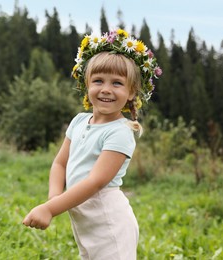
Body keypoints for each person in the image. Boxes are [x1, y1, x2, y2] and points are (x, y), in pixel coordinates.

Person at [22, 28, 162, 259]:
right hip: (86, 221)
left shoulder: (120, 132)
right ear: (87, 85)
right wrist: (54, 197)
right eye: (98, 81)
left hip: (109, 223)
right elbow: (59, 164)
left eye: (117, 83)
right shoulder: (78, 121)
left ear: (131, 92)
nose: (106, 89)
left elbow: (95, 182)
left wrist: (50, 209)